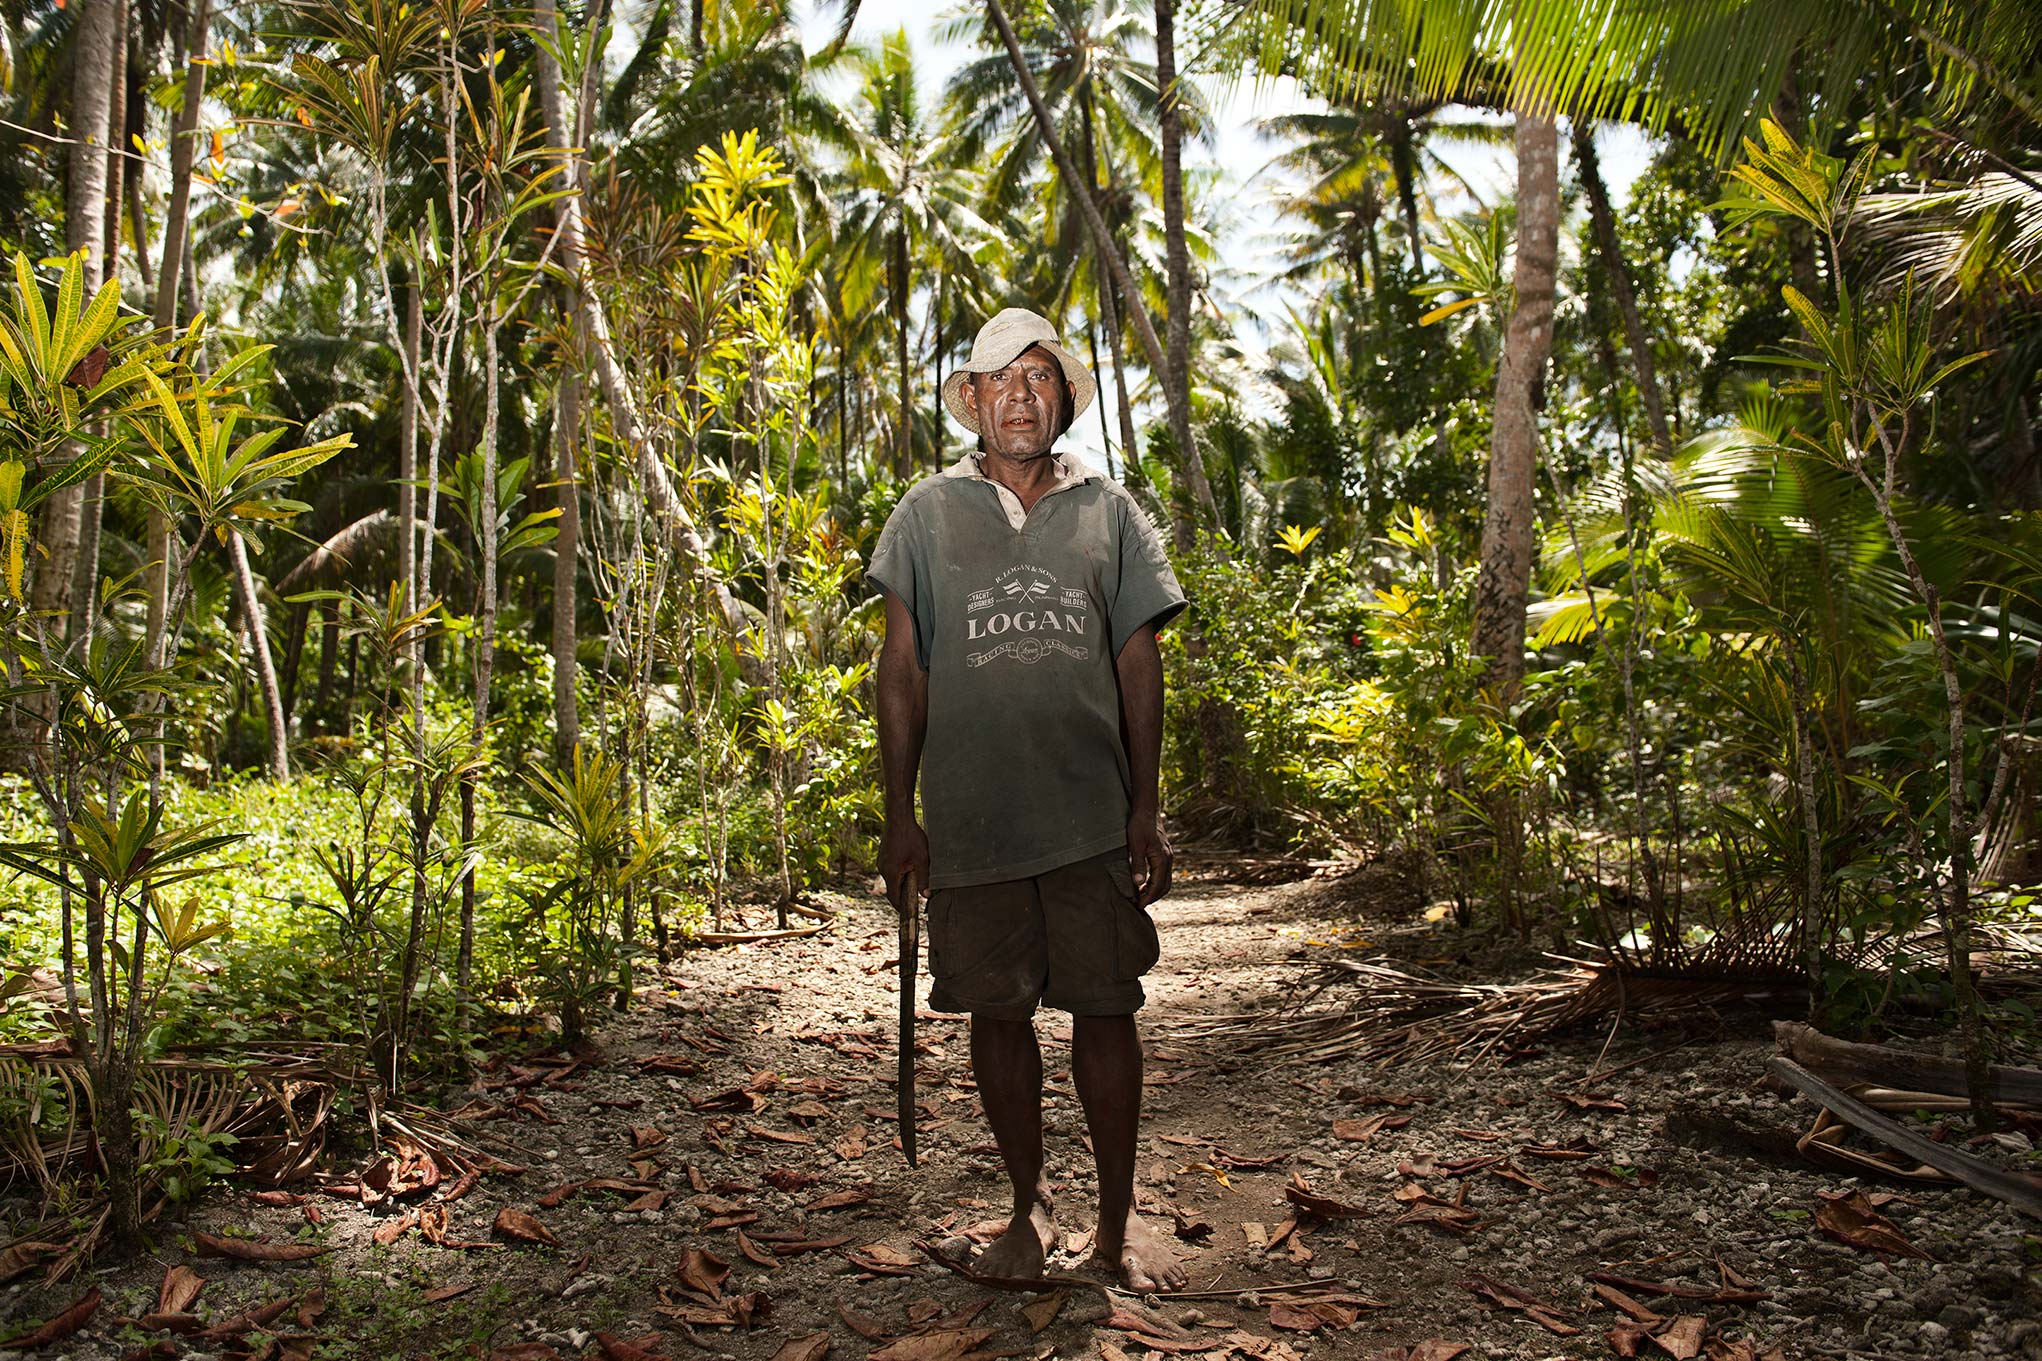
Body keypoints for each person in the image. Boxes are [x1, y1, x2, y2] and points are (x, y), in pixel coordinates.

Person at [867, 307, 1190, 1293]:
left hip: (1089, 814)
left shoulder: (1110, 513)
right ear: (971, 399)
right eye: (999, 379)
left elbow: (1139, 665)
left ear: (1060, 400)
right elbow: (901, 667)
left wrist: (1144, 806)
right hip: (972, 820)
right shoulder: (923, 513)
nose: (1020, 395)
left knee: (1105, 1007)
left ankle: (1116, 1220)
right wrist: (898, 812)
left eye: (1040, 378)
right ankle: (1023, 1208)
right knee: (996, 1015)